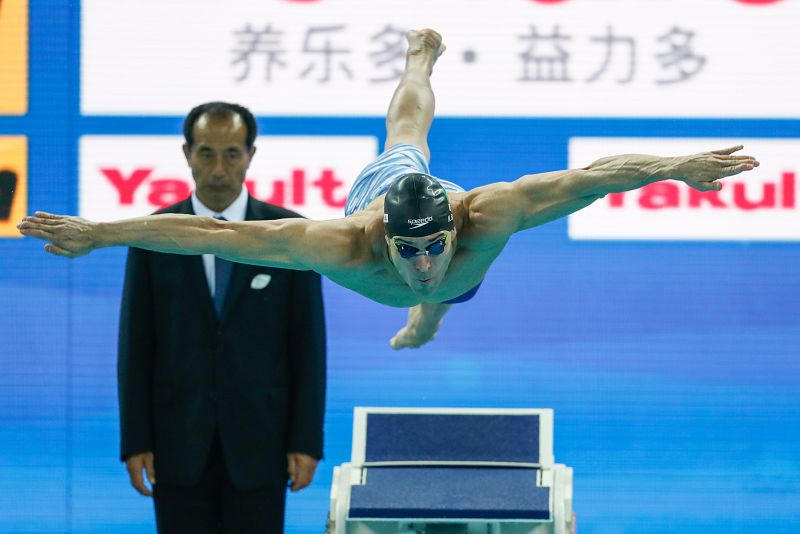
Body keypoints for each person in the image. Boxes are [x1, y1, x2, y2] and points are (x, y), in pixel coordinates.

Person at [18, 29, 758, 351]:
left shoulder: (484, 216)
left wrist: (673, 165)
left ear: (453, 227)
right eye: (411, 253)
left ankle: (418, 59)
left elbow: (589, 178)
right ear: (386, 240)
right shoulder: (339, 242)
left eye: (435, 247)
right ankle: (422, 319)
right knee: (400, 148)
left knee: (414, 140)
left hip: (443, 207)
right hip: (379, 195)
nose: (426, 261)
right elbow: (211, 235)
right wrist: (104, 232)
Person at [116, 102, 326, 533]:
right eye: (206, 152)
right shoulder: (153, 234)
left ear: (250, 154)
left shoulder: (290, 234)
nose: (218, 168)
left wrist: (305, 442)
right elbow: (136, 344)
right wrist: (135, 441)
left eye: (231, 153)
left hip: (262, 447)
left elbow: (308, 346)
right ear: (186, 153)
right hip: (175, 446)